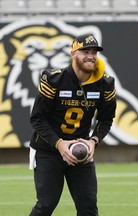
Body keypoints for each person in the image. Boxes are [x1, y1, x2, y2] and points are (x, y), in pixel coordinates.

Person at [29, 33, 116, 216]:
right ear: (73, 53)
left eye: (94, 52)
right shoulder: (54, 80)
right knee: (46, 205)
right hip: (48, 150)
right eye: (85, 51)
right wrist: (60, 144)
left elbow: (106, 119)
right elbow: (37, 118)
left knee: (88, 207)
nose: (91, 56)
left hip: (80, 151)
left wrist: (93, 141)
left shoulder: (106, 83)